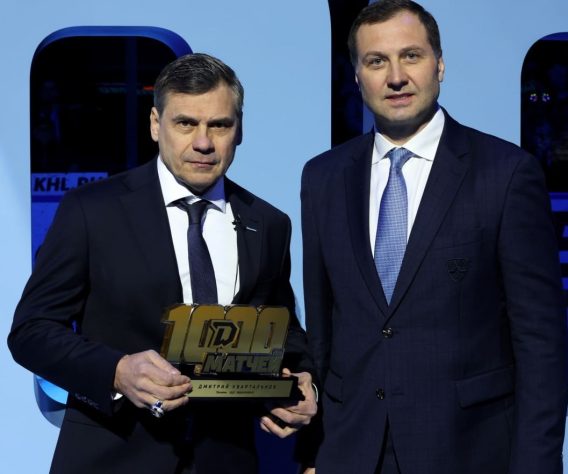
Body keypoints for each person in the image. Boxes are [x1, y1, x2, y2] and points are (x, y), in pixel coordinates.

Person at [9, 53, 317, 474]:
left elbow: (284, 331)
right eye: (185, 123)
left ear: (239, 130)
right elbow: (31, 331)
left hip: (225, 459)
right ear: (156, 125)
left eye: (219, 125)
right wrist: (117, 371)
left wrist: (302, 378)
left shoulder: (268, 223)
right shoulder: (92, 211)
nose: (203, 142)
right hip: (111, 458)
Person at [300, 1, 567, 473]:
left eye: (411, 56)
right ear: (357, 76)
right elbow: (324, 331)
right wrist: (313, 452)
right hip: (350, 451)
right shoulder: (322, 177)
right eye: (376, 61)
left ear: (439, 65)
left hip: (468, 452)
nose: (396, 77)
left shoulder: (505, 174)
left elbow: (541, 344)